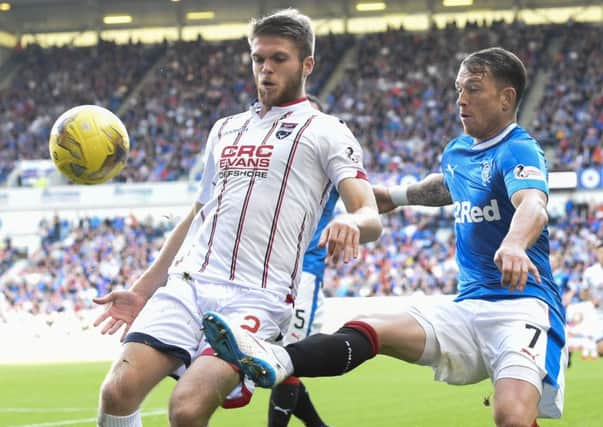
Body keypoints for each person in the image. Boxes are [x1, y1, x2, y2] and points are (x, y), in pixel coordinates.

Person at [202, 47, 567, 427]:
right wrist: (395, 197)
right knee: (373, 326)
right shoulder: (458, 151)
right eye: (458, 89)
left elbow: (532, 204)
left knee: (510, 415)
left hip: (523, 306)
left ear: (507, 98)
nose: (461, 99)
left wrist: (513, 243)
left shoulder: (519, 149)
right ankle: (279, 359)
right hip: (468, 307)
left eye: (473, 89)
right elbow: (449, 186)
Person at [93, 8, 382, 427]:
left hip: (256, 297)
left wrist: (352, 223)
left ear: (307, 65)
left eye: (278, 58)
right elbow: (198, 214)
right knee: (117, 391)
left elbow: (369, 212)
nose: (265, 69)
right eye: (258, 58)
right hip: (190, 285)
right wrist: (142, 290)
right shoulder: (225, 129)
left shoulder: (327, 132)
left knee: (187, 410)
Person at [267, 93, 332, 427]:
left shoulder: (332, 160)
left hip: (304, 272)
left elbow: (369, 197)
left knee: (287, 357)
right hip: (270, 271)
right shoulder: (282, 163)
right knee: (275, 356)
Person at [581, 241, 603, 356]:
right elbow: (583, 293)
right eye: (600, 252)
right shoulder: (590, 272)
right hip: (598, 314)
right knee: (600, 350)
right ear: (597, 254)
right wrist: (591, 300)